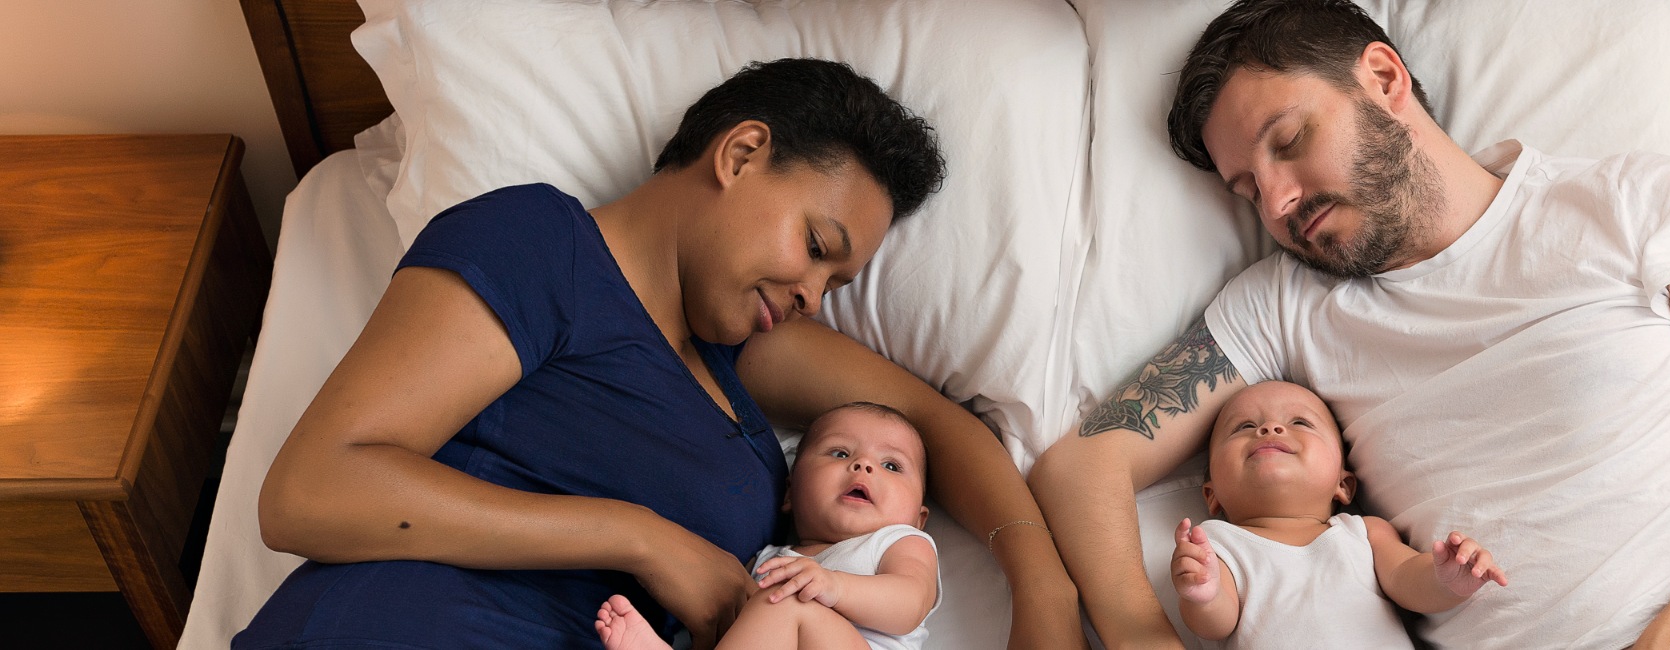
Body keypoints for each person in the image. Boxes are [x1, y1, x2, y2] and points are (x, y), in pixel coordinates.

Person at [1026, 2, 1670, 648]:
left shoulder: (1626, 204)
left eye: (1288, 141)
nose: (1279, 201)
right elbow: (1082, 466)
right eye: (1248, 190)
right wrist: (1147, 639)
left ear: (1385, 80)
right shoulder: (1284, 305)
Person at [236, 58, 1081, 650]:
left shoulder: (741, 356)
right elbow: (310, 491)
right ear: (741, 153)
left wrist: (1044, 594)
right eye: (817, 245)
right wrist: (640, 538)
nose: (813, 296)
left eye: (839, 283)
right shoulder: (543, 244)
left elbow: (935, 427)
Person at [1171, 381, 1505, 648]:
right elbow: (1217, 623)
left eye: (1299, 422)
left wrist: (1445, 580)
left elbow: (1406, 580)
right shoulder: (1215, 543)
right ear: (1212, 494)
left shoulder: (1363, 532)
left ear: (1343, 485)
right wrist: (1203, 594)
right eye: (1244, 426)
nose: (1270, 428)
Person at [599, 402, 940, 650]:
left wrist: (835, 586)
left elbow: (910, 603)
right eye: (839, 453)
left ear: (918, 519)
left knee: (789, 599)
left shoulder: (900, 541)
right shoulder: (767, 560)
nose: (863, 465)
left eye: (892, 466)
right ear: (790, 492)